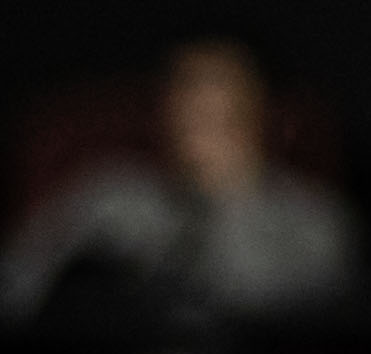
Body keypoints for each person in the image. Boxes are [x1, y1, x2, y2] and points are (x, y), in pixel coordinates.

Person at [3, 38, 351, 337]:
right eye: (188, 98)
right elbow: (19, 286)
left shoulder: (313, 218)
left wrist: (230, 194)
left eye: (222, 113)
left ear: (261, 113)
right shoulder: (113, 196)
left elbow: (292, 314)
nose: (200, 125)